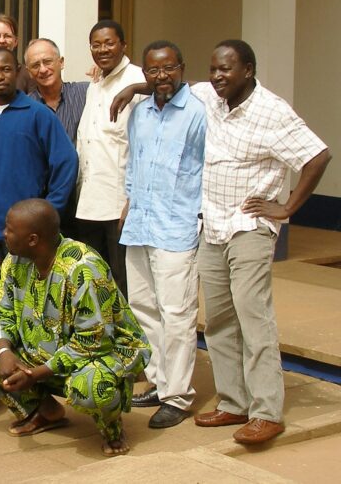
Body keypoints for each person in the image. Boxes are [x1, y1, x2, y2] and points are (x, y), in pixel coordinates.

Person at [112, 39, 331, 445]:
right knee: (218, 321)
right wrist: (132, 88)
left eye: (226, 69)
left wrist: (287, 208)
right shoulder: (209, 98)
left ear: (249, 69)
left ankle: (267, 411)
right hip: (212, 224)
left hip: (249, 225)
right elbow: (171, 82)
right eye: (213, 69)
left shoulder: (272, 111)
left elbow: (317, 155)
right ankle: (232, 402)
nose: (217, 77)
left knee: (254, 317)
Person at [0, 199, 150, 457]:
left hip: (106, 351)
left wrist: (35, 374)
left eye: (9, 229)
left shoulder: (83, 268)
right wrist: (4, 352)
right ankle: (46, 412)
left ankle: (112, 429)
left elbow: (93, 342)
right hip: (45, 348)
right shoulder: (14, 261)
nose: (4, 234)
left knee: (91, 386)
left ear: (33, 239)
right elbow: (1, 313)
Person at [118, 41, 206, 430]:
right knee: (144, 310)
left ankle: (178, 396)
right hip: (140, 224)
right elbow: (133, 165)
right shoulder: (140, 113)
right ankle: (157, 381)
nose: (161, 77)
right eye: (152, 71)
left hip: (177, 226)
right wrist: (128, 204)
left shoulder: (199, 112)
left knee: (177, 314)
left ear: (182, 67)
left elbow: (209, 168)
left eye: (168, 68)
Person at [0, 49, 78, 263]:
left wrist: (50, 209)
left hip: (28, 229)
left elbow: (66, 162)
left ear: (19, 72)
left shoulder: (39, 114)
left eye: (6, 70)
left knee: (26, 292)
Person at [75, 19, 144, 296]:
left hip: (120, 204)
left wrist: (133, 197)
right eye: (96, 45)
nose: (102, 49)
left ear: (124, 45)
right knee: (94, 277)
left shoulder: (138, 81)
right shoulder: (95, 84)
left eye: (109, 43)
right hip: (89, 201)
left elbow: (142, 147)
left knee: (123, 279)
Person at [23, 38, 89, 143]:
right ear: (29, 72)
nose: (43, 70)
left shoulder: (85, 93)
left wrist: (103, 74)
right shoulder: (24, 108)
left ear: (61, 62)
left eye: (47, 62)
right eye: (35, 65)